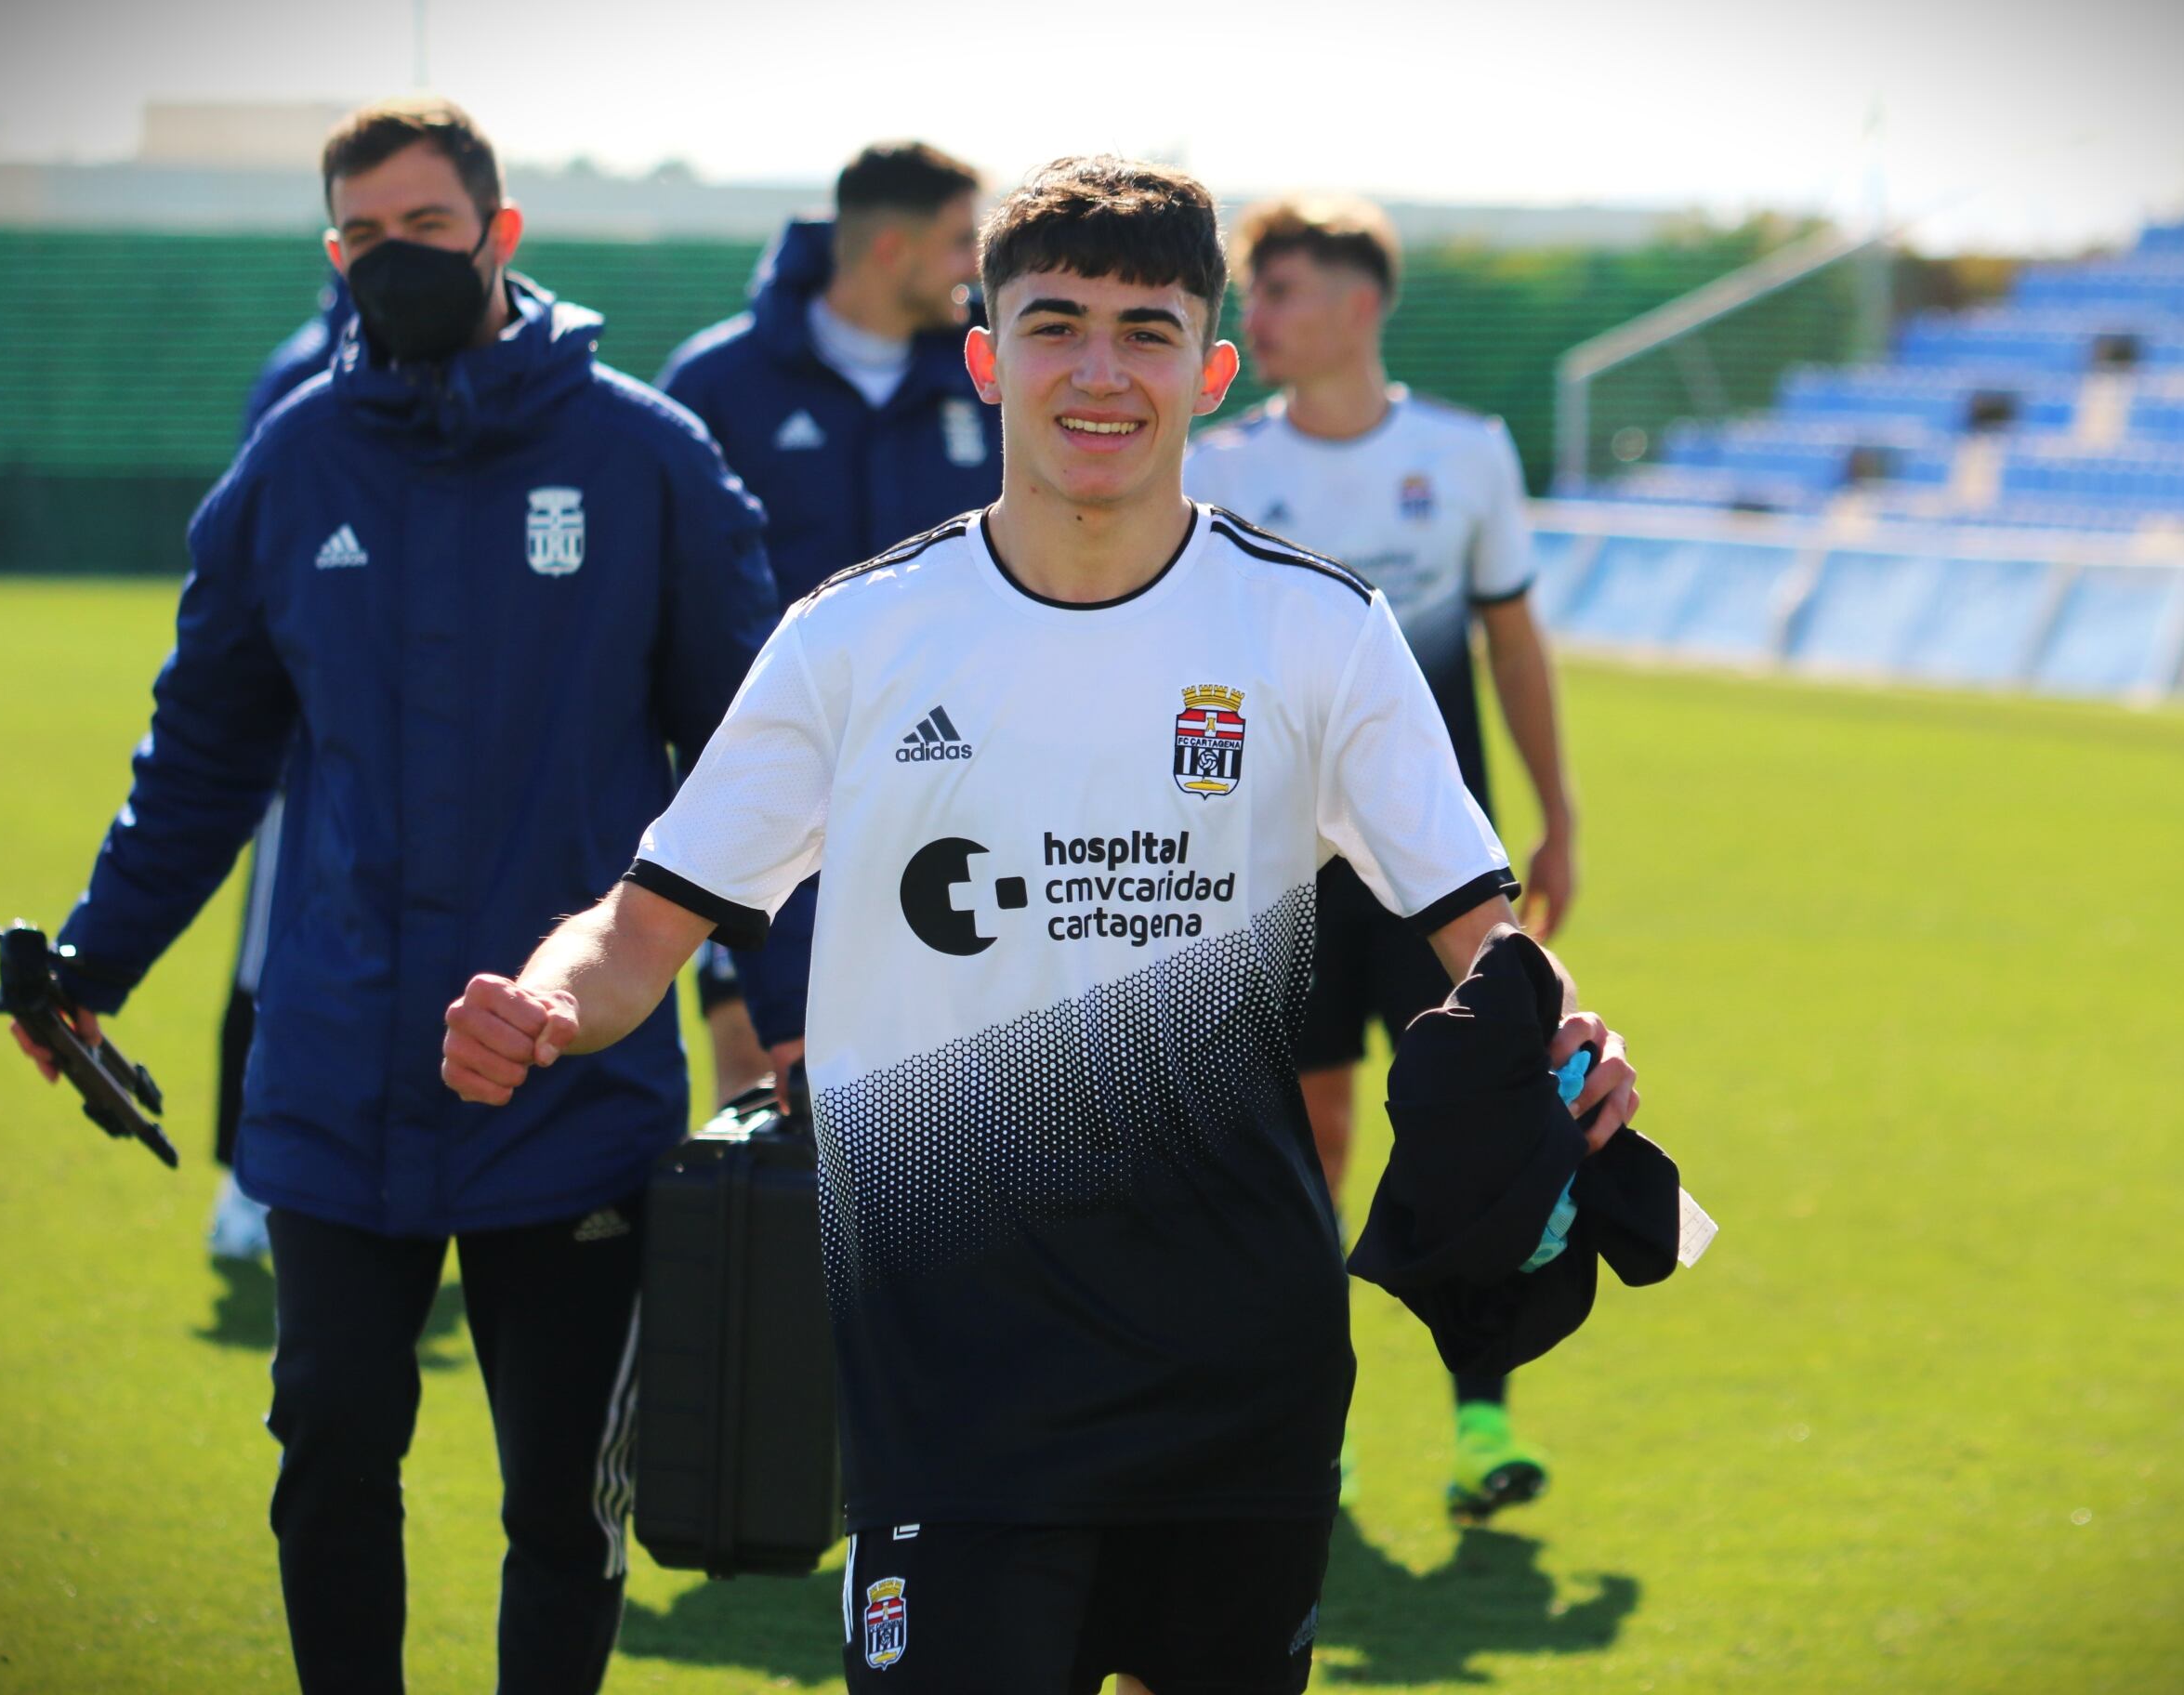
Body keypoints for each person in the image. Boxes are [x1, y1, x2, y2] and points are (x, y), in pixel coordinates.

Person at [442, 154, 1641, 1694]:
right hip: (951, 1364)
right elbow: (640, 923)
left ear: (1209, 372)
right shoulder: (857, 637)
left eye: (1146, 332)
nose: (1097, 369)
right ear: (985, 355)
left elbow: (1481, 929)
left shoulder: (1311, 627)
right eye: (1055, 322)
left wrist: (1573, 1032)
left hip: (1238, 1357)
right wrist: (545, 999)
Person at [7, 98, 780, 1694]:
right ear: (331, 255)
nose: (390, 260)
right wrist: (95, 958)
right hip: (338, 1064)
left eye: (423, 230)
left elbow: (755, 753)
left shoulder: (642, 455)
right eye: (359, 237)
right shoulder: (294, 459)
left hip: (572, 1069)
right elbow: (201, 750)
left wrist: (768, 1000)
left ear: (499, 237)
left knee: (564, 1497)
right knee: (329, 1456)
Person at [1183, 194, 1579, 1522]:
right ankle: (1315, 1428)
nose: (1260, 315)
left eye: (1280, 290)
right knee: (1315, 1138)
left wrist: (1557, 811)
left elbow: (1514, 644)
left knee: (1481, 1130)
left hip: (1436, 868)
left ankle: (1481, 1424)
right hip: (1281, 877)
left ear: (1358, 304)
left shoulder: (1467, 455)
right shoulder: (1222, 470)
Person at [655, 140, 998, 1108]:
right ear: (889, 247)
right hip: (770, 777)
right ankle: (758, 1261)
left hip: (963, 780)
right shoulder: (718, 383)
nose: (974, 265)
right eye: (957, 240)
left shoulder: (998, 371)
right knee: (764, 1070)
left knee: (960, 1076)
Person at [206, 281, 360, 1263]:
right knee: (271, 959)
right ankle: (242, 1184)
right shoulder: (302, 370)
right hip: (308, 735)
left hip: (447, 737)